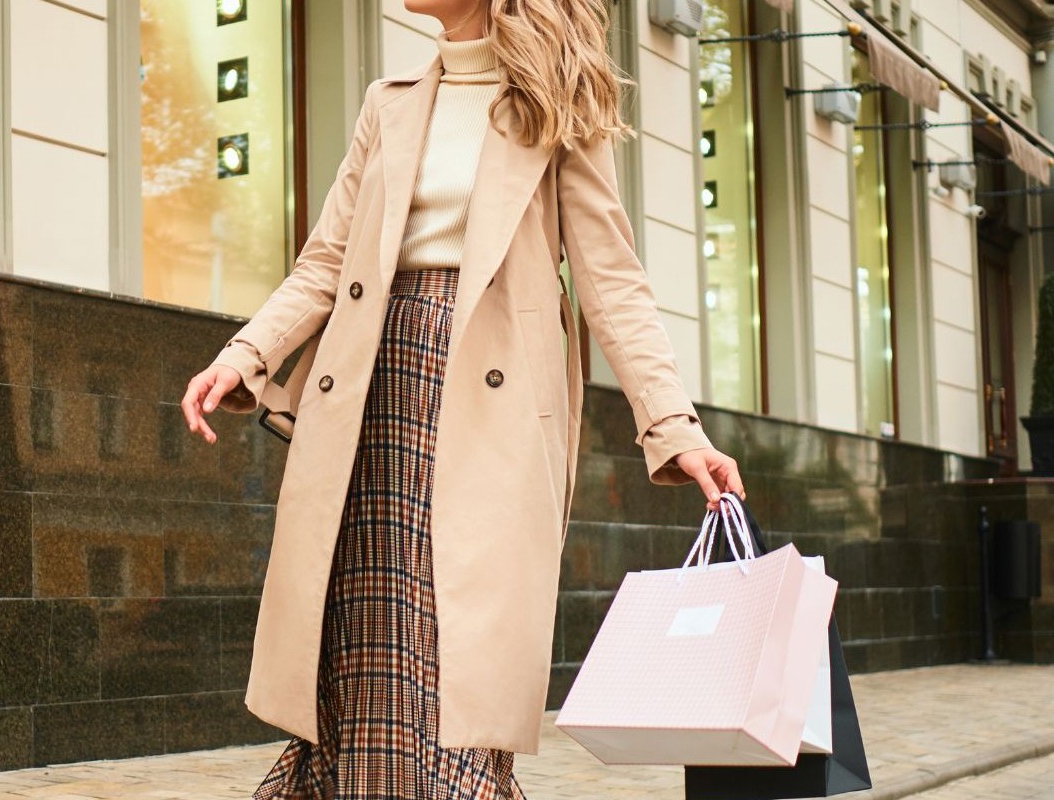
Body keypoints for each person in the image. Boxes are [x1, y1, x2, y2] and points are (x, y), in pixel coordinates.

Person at [179, 0, 746, 796]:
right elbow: (326, 259)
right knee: (363, 635)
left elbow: (610, 280)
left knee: (450, 653)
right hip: (369, 397)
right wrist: (245, 354)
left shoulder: (554, 100)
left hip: (489, 402)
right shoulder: (392, 100)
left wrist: (673, 424)